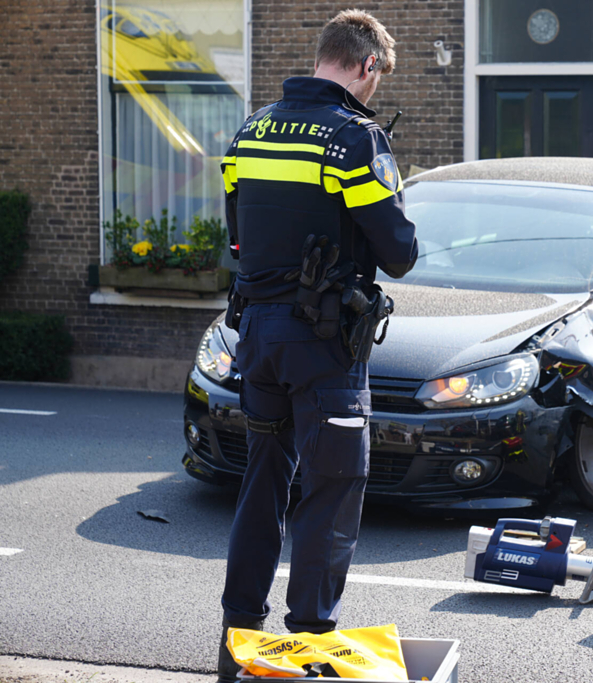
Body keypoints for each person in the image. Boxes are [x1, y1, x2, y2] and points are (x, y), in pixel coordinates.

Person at [216, 9, 417, 682]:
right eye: (379, 78)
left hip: (258, 339)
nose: (377, 91)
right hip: (324, 346)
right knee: (333, 486)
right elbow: (400, 253)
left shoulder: (252, 130)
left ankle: (238, 642)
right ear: (367, 65)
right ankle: (307, 649)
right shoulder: (352, 138)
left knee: (262, 482)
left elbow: (238, 240)